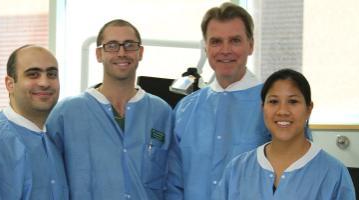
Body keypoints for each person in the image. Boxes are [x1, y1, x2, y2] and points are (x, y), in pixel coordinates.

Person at [46, 19, 173, 200]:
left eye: (129, 45)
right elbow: (48, 179)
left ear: (140, 52)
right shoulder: (67, 113)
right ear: (99, 54)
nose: (122, 53)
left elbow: (172, 181)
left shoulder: (161, 112)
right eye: (112, 46)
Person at [166, 3, 274, 199]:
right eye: (216, 41)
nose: (225, 50)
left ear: (250, 45)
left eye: (235, 40)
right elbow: (173, 183)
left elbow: (293, 179)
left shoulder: (274, 106)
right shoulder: (185, 110)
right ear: (205, 48)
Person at [212, 68, 356, 199]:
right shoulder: (237, 169)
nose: (282, 111)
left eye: (293, 101)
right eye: (273, 101)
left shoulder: (333, 174)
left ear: (309, 108)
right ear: (263, 108)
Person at [0, 45, 69, 199]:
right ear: (10, 84)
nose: (44, 82)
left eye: (51, 74)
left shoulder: (49, 139)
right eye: (33, 74)